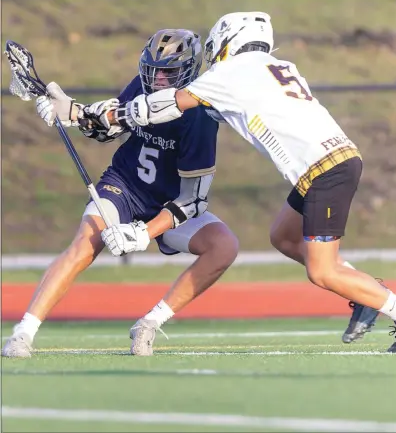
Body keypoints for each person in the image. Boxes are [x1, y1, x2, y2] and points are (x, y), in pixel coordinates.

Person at [84, 12, 396, 353]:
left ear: (227, 41)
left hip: (325, 169)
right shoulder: (276, 67)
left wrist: (112, 114)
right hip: (331, 162)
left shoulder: (234, 70)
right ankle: (366, 293)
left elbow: (173, 104)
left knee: (322, 272)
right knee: (284, 236)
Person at [2, 28, 239, 358]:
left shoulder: (198, 116)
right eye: (154, 69)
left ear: (186, 71)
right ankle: (23, 332)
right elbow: (107, 127)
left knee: (224, 246)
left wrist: (145, 232)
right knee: (85, 244)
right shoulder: (141, 86)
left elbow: (194, 200)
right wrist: (70, 112)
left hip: (170, 202)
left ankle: (150, 323)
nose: (158, 79)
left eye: (168, 71)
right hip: (124, 186)